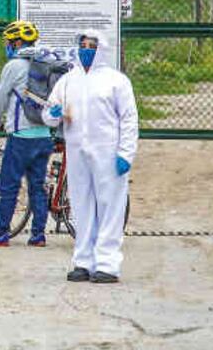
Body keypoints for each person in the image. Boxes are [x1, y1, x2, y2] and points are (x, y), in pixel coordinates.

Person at [51, 29, 139, 284]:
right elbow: (49, 112)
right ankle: (83, 261)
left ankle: (108, 264)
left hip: (108, 153)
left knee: (110, 206)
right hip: (77, 152)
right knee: (81, 205)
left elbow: (129, 119)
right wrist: (54, 112)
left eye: (92, 45)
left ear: (102, 49)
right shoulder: (68, 80)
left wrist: (125, 153)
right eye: (83, 45)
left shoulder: (116, 81)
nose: (86, 50)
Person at [0, 21, 69, 248]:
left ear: (17, 42)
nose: (7, 46)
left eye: (9, 42)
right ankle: (38, 235)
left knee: (9, 185)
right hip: (44, 135)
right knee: (37, 185)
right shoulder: (45, 62)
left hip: (21, 136)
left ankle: (0, 233)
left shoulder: (14, 66)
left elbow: (0, 99)